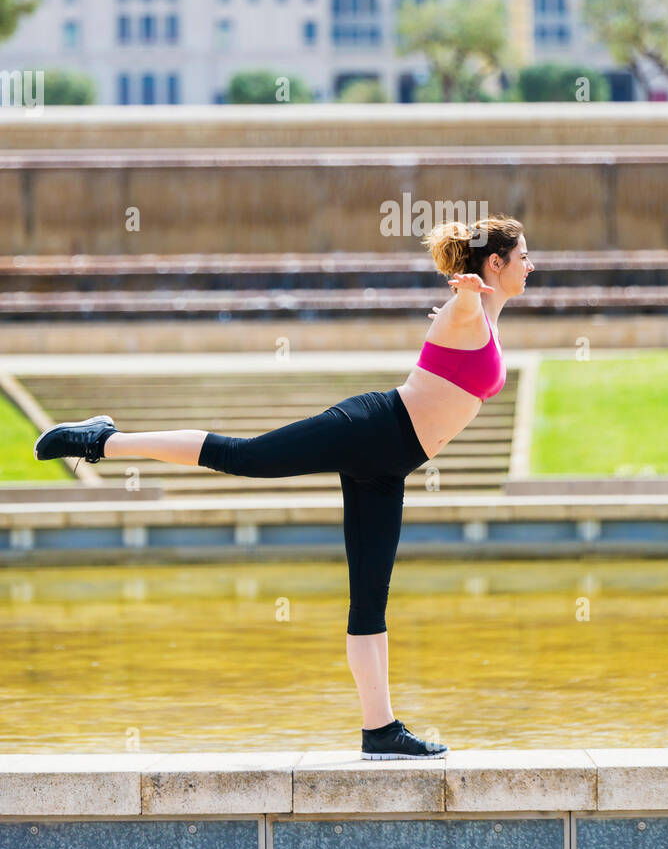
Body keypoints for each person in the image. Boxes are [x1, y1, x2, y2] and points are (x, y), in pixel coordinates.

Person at [34, 215, 533, 758]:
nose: (531, 266)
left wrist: (469, 297)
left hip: (389, 466)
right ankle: (104, 440)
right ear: (495, 263)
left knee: (370, 601)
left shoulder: (487, 318)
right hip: (368, 429)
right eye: (523, 256)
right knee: (243, 455)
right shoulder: (468, 313)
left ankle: (379, 730)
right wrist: (463, 295)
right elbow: (462, 310)